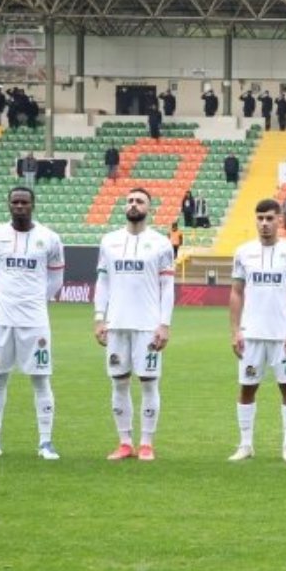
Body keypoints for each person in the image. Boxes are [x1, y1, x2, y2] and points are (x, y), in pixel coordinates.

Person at [0, 188, 65, 461]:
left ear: (33, 205)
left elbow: (56, 280)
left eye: (24, 202)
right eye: (15, 202)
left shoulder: (50, 238)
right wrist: (7, 298)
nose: (20, 206)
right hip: (1, 318)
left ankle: (45, 442)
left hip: (35, 320)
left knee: (40, 379)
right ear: (9, 205)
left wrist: (35, 301)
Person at [94, 188, 175, 462]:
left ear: (149, 208)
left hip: (147, 326)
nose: (133, 205)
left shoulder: (161, 244)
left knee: (149, 383)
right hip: (117, 324)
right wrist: (99, 317)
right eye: (129, 201)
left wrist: (164, 324)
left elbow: (168, 286)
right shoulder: (109, 241)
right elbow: (103, 282)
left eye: (139, 201)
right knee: (119, 383)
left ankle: (147, 444)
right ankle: (125, 442)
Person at [227, 200, 286, 463]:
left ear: (279, 219)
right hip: (251, 334)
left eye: (269, 218)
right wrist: (235, 331)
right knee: (247, 388)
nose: (264, 223)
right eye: (260, 218)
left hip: (282, 335)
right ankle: (245, 444)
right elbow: (236, 292)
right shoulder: (243, 252)